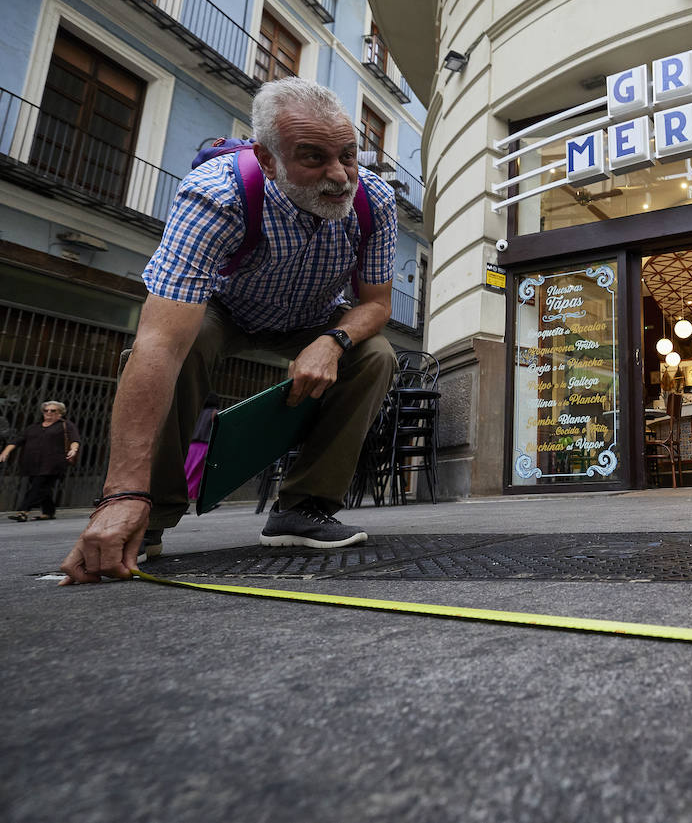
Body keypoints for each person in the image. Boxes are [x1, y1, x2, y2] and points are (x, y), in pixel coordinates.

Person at [59, 77, 399, 585]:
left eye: (348, 155)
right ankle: (146, 513)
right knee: (185, 343)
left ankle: (303, 509)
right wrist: (121, 492)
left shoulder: (375, 201)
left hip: (312, 318)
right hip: (224, 309)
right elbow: (158, 342)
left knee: (377, 356)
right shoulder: (217, 194)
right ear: (267, 158)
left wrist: (333, 341)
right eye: (313, 158)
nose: (340, 176)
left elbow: (376, 304)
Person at [2, 401, 80, 521]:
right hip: (33, 463)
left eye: (53, 410)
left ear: (60, 413)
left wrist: (73, 450)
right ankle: (49, 512)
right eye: (46, 410)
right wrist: (6, 451)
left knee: (38, 487)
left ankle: (23, 511)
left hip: (54, 463)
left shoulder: (66, 425)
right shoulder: (34, 427)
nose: (48, 412)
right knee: (43, 488)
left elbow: (75, 439)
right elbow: (17, 440)